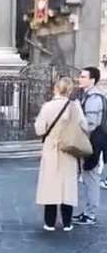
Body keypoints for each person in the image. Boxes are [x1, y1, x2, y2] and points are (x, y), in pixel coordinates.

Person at [35, 76, 88, 232]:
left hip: (51, 149)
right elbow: (85, 126)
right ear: (70, 90)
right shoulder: (75, 107)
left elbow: (39, 130)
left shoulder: (47, 107)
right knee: (68, 186)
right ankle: (67, 223)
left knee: (50, 185)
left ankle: (49, 223)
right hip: (69, 150)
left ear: (56, 88)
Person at [72, 67, 105, 225]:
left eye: (83, 76)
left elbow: (91, 123)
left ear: (92, 80)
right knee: (87, 177)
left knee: (91, 178)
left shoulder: (94, 98)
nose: (80, 79)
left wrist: (77, 114)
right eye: (80, 76)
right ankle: (87, 211)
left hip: (93, 142)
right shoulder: (87, 95)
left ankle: (90, 214)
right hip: (90, 142)